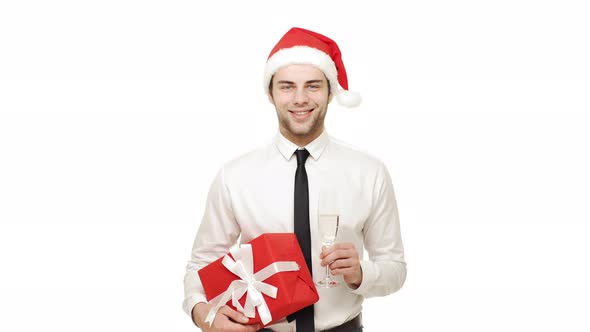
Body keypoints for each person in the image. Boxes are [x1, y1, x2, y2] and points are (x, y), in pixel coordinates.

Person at [183, 27, 406, 332]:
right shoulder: (234, 176)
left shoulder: (369, 172)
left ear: (330, 92)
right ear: (270, 94)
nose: (300, 99)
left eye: (313, 86)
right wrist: (203, 315)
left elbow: (395, 268)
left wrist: (361, 274)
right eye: (287, 87)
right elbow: (202, 263)